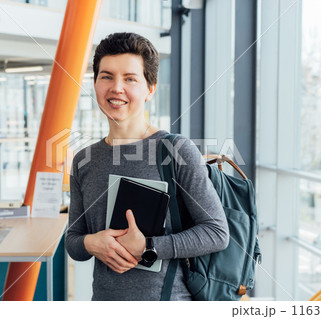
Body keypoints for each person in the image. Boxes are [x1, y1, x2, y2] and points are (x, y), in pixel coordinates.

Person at [65, 32, 229, 301]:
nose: (117, 88)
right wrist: (91, 243)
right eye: (107, 76)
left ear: (150, 89)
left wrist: (149, 247)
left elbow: (216, 232)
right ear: (94, 83)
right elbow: (74, 240)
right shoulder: (84, 160)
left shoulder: (175, 151)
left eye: (130, 79)